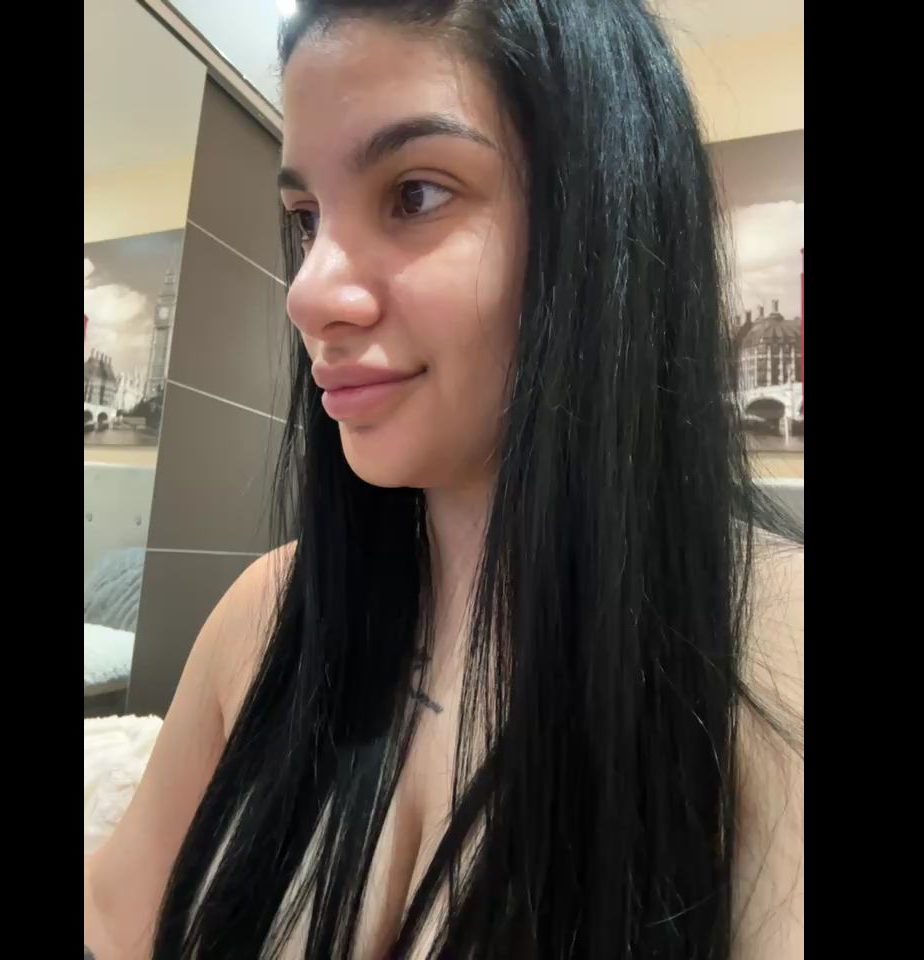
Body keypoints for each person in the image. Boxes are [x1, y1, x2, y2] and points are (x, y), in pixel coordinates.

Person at [84, 1, 804, 957]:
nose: (308, 292)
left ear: (605, 221)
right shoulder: (266, 614)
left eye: (415, 194)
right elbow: (114, 919)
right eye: (306, 218)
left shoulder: (770, 657)